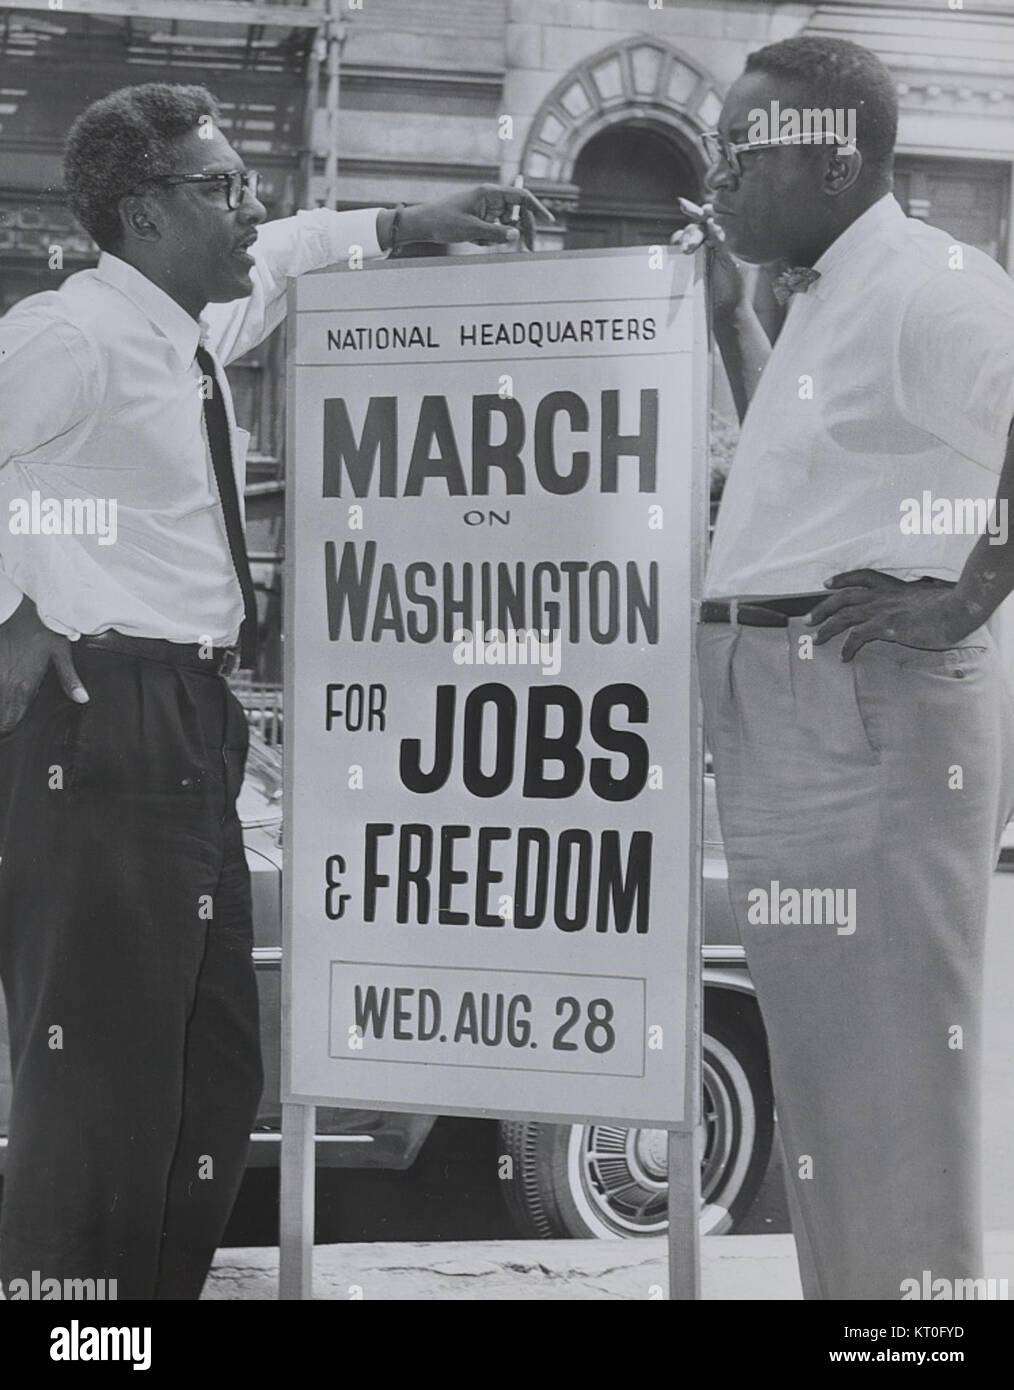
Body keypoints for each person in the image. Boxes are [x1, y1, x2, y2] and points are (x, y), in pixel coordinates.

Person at [0, 81, 548, 1301]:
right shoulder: (68, 336)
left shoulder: (183, 331)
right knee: (98, 1083)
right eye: (221, 188)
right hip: (100, 728)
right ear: (142, 213)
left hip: (190, 720)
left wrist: (405, 225)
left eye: (248, 183)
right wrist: (17, 611)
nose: (254, 208)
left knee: (209, 1069)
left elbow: (291, 253)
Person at [687, 35, 1014, 1299]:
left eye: (738, 151)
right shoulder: (827, 291)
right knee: (830, 1097)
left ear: (832, 158)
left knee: (891, 1103)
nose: (716, 177)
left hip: (865, 716)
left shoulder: (934, 286)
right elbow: (834, 476)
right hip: (800, 712)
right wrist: (730, 326)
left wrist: (969, 595)